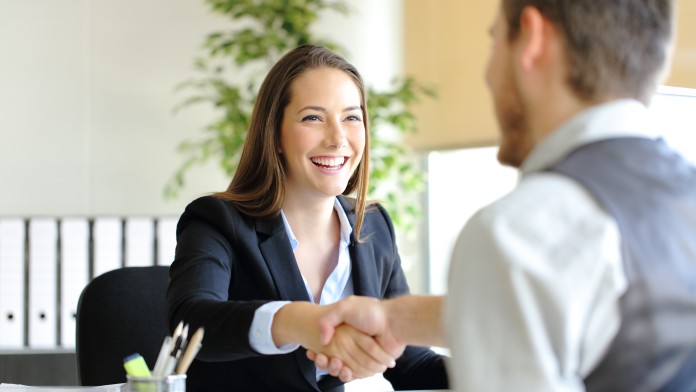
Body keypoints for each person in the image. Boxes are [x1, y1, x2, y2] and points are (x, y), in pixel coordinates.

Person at [311, 0, 696, 390]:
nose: (488, 76)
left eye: (495, 42)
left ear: (531, 38)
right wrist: (398, 319)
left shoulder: (517, 232)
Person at [165, 44, 448, 392]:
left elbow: (411, 362)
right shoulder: (217, 221)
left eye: (351, 117)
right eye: (313, 117)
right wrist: (301, 322)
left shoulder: (372, 225)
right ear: (276, 134)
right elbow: (191, 324)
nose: (338, 138)